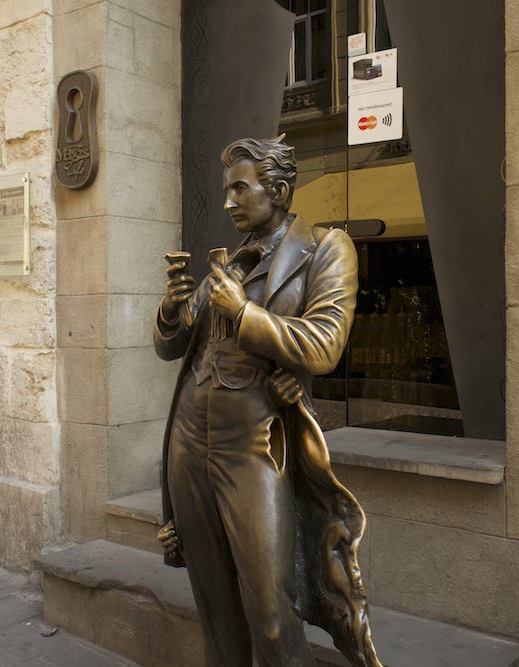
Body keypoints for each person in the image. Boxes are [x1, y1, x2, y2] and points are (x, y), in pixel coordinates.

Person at [153, 135, 381, 667]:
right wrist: (172, 310)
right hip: (189, 439)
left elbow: (324, 342)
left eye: (240, 188)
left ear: (277, 189)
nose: (228, 201)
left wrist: (245, 315)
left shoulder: (326, 249)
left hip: (256, 442)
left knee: (272, 615)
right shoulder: (226, 264)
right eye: (226, 190)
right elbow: (173, 347)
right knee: (213, 604)